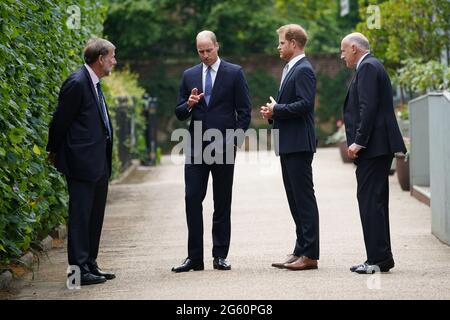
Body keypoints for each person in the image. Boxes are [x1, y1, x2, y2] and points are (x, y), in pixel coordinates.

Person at [172, 30, 251, 273]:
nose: (205, 55)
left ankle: (220, 255)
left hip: (224, 146)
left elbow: (245, 111)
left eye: (208, 50)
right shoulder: (189, 75)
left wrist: (234, 140)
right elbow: (179, 111)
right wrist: (189, 104)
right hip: (196, 146)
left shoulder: (234, 73)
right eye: (200, 51)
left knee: (222, 201)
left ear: (217, 46)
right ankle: (194, 258)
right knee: (192, 199)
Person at [46, 38, 117, 285]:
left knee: (94, 216)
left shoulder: (94, 83)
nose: (114, 61)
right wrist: (53, 150)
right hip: (81, 163)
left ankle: (90, 265)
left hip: (98, 162)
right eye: (112, 57)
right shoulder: (77, 83)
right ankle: (77, 272)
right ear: (100, 59)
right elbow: (60, 121)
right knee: (79, 217)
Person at [340, 33, 406, 274]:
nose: (341, 55)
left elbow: (367, 107)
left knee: (370, 202)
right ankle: (380, 257)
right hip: (378, 146)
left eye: (344, 50)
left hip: (373, 147)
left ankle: (378, 259)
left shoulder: (367, 66)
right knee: (374, 202)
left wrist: (359, 142)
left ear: (355, 48)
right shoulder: (371, 65)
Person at [261, 24, 320, 271]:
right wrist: (273, 114)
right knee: (295, 199)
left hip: (298, 144)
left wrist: (278, 110)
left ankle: (310, 255)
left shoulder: (303, 69)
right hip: (289, 143)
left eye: (282, 42)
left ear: (294, 43)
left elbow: (305, 105)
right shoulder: (290, 69)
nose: (279, 47)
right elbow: (291, 105)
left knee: (304, 199)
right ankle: (300, 249)